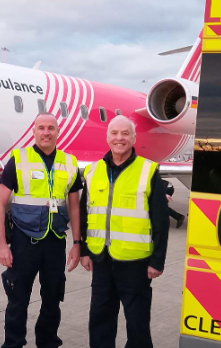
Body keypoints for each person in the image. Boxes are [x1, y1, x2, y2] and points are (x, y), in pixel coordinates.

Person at [0, 113, 83, 348]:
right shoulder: (18, 160)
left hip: (55, 241)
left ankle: (47, 342)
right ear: (34, 131)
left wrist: (77, 243)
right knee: (17, 299)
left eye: (51, 128)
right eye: (41, 128)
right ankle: (13, 343)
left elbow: (74, 206)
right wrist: (2, 245)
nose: (46, 132)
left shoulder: (70, 163)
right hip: (24, 242)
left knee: (53, 298)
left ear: (57, 132)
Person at [79, 116, 169, 348]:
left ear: (134, 138)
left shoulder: (148, 171)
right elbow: (85, 214)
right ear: (107, 137)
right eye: (115, 133)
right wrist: (85, 251)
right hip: (101, 258)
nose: (119, 138)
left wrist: (157, 260)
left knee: (137, 323)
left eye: (125, 133)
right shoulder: (92, 171)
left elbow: (160, 220)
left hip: (136, 261)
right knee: (100, 319)